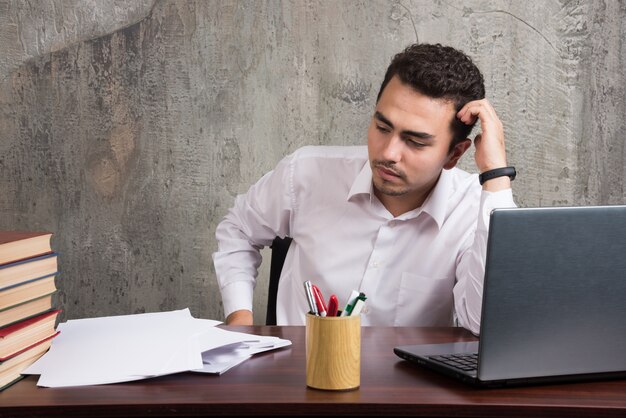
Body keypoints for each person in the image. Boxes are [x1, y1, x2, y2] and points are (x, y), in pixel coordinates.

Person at [212, 43, 516, 334]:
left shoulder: (473, 211)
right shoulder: (307, 173)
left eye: (415, 141)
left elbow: (481, 324)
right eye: (382, 128)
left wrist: (497, 176)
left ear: (454, 154)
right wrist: (240, 318)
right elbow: (239, 228)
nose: (388, 153)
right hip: (299, 374)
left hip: (408, 386)